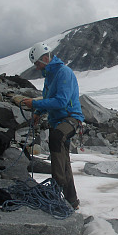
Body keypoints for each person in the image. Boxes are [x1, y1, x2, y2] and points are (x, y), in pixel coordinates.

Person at [22, 42, 84, 210]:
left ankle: (57, 188)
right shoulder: (49, 75)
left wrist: (35, 104)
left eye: (37, 63)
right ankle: (72, 201)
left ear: (44, 58)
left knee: (56, 138)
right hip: (57, 121)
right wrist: (37, 113)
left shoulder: (64, 73)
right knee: (64, 159)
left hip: (71, 118)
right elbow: (49, 99)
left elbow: (61, 101)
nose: (36, 67)